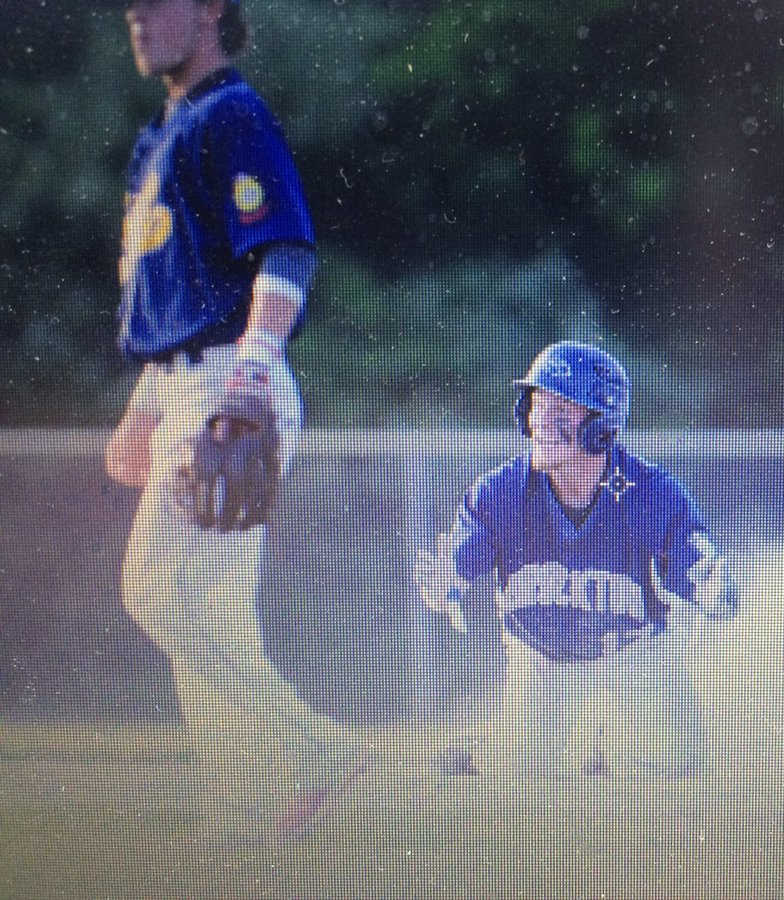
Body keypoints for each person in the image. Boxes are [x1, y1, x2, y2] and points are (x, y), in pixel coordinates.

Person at [103, 0, 364, 837]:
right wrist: (146, 402)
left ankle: (315, 747)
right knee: (209, 617)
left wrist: (252, 365)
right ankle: (254, 817)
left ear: (211, 9)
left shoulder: (231, 114)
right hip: (186, 380)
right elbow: (181, 289)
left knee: (155, 592)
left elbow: (285, 246)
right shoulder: (162, 133)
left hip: (232, 383)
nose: (135, 13)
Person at [414, 341, 738, 779]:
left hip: (631, 655)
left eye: (561, 410)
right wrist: (447, 579)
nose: (541, 423)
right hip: (540, 656)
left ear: (600, 430)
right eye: (537, 406)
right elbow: (462, 555)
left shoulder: (645, 492)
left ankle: (610, 744)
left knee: (668, 770)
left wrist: (711, 586)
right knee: (523, 777)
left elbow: (695, 563)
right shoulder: (503, 491)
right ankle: (487, 746)